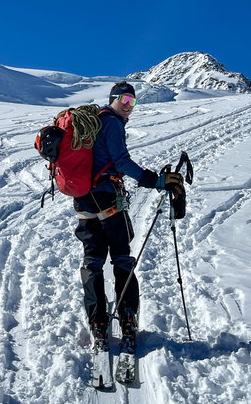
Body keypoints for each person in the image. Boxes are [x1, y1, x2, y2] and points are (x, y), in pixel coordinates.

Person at [74, 80, 184, 349]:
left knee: (93, 261)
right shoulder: (111, 123)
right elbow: (121, 161)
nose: (128, 106)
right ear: (113, 99)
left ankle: (97, 323)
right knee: (121, 257)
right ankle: (126, 318)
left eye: (132, 102)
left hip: (83, 199)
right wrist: (154, 180)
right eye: (124, 100)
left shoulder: (94, 123)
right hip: (107, 198)